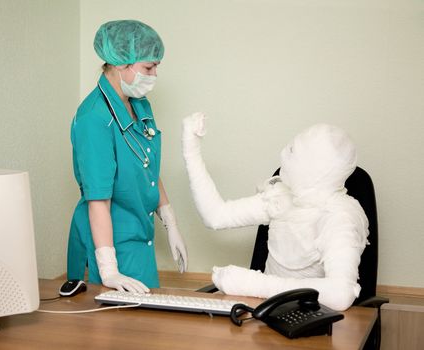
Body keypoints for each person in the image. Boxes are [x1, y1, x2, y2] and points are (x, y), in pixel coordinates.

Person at [182, 113, 368, 311]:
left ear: (317, 168)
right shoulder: (283, 197)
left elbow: (341, 294)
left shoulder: (340, 217)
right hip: (264, 314)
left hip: (312, 322)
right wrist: (191, 148)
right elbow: (216, 216)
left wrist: (252, 284)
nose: (284, 156)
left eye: (295, 152)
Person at [67, 20, 187, 293]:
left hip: (139, 235)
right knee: (119, 330)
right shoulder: (94, 119)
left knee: (146, 325)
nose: (155, 75)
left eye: (157, 66)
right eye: (149, 67)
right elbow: (97, 199)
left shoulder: (138, 102)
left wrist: (170, 222)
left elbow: (148, 167)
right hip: (110, 241)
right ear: (122, 64)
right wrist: (109, 270)